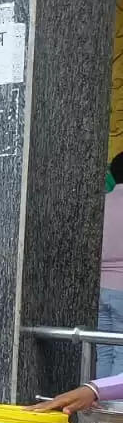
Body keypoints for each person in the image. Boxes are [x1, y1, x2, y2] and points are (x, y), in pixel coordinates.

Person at [98, 153, 123, 378]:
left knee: (103, 350)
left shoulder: (102, 204)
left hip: (101, 287)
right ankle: (116, 399)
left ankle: (101, 397)